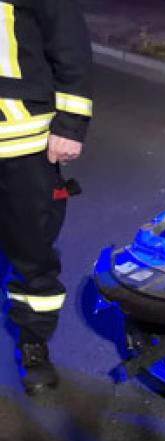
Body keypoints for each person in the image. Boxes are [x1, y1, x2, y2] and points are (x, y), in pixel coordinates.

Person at [0, 0, 93, 395]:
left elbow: (68, 42)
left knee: (32, 252)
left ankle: (33, 343)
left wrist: (70, 125)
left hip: (24, 142)